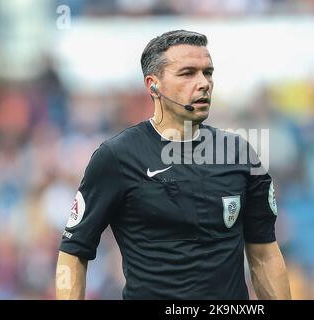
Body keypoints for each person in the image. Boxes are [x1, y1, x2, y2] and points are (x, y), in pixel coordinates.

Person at [55, 30, 292, 300]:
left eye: (208, 72)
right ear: (153, 85)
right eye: (188, 73)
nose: (203, 83)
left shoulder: (239, 153)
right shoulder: (117, 157)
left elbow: (264, 254)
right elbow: (73, 254)